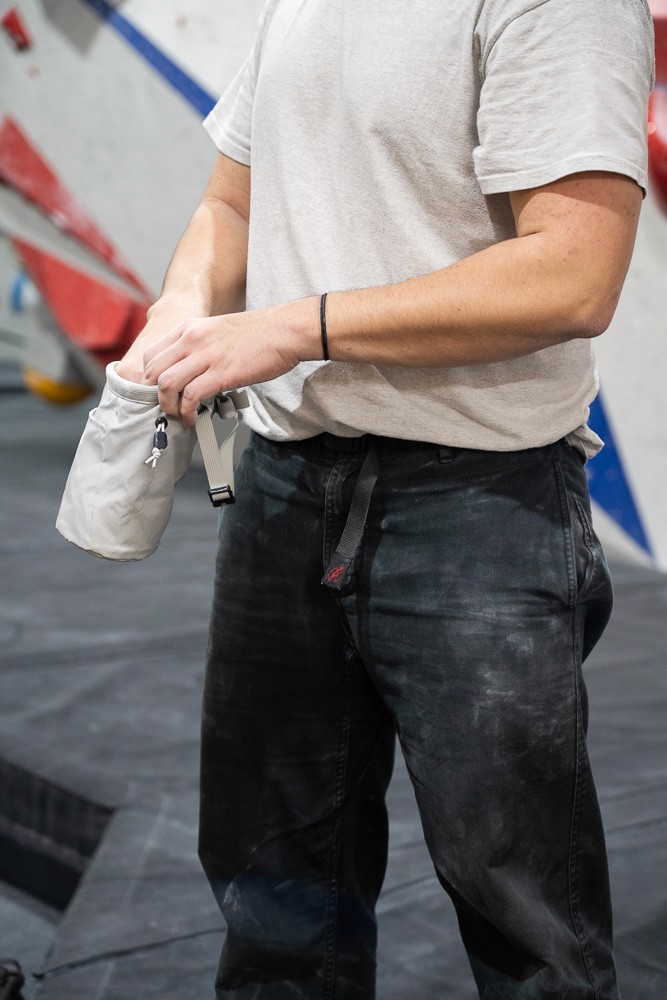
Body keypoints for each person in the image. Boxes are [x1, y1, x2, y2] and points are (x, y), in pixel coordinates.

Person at [117, 1, 654, 996]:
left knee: (525, 916)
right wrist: (182, 306)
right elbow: (230, 204)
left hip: (476, 503)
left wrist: (296, 327)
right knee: (273, 891)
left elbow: (572, 273)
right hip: (282, 480)